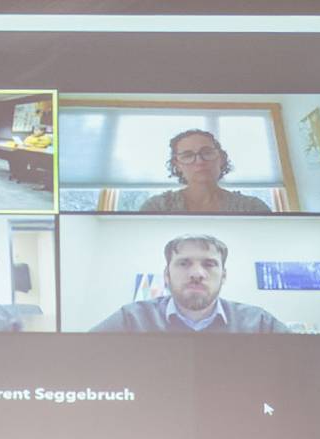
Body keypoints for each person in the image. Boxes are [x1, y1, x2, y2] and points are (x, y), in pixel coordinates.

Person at [91, 234, 290, 333]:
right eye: (184, 263)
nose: (196, 273)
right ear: (166, 275)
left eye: (209, 264)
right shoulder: (131, 319)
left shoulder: (260, 323)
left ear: (224, 276)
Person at [140, 129, 272, 213]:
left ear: (221, 158)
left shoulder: (252, 207)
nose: (199, 161)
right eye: (188, 155)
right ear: (177, 165)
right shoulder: (157, 207)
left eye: (207, 152)